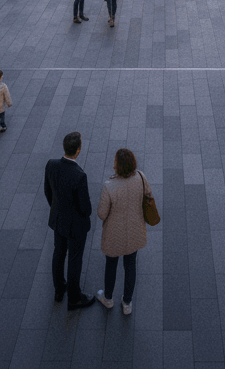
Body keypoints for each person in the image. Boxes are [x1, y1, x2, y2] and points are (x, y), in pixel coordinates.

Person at [96, 147, 154, 315]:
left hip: (114, 233)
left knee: (111, 265)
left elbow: (101, 213)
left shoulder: (109, 186)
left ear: (117, 166)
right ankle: (127, 303)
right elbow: (149, 195)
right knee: (130, 265)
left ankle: (108, 299)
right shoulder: (141, 177)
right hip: (134, 230)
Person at [45, 132, 96, 309]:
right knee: (75, 259)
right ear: (79, 150)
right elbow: (86, 208)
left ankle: (59, 289)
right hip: (75, 226)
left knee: (58, 253)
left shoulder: (51, 165)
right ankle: (74, 297)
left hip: (58, 220)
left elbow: (48, 192)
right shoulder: (79, 175)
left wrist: (56, 209)